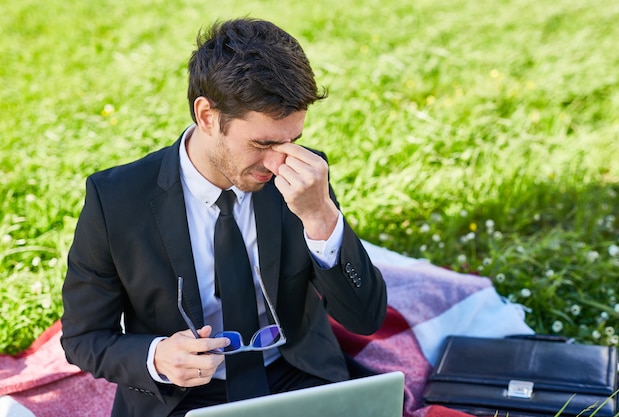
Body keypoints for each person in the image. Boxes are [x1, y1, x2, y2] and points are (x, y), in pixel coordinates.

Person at [60, 18, 387, 417]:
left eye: (291, 141)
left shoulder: (304, 180)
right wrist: (158, 357)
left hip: (295, 376)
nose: (279, 161)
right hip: (180, 396)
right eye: (262, 143)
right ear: (207, 116)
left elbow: (365, 317)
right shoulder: (115, 200)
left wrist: (320, 217)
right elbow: (84, 337)